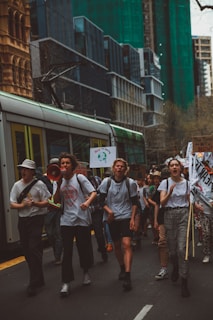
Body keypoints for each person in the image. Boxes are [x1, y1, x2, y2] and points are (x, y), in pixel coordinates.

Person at [53, 152, 97, 297]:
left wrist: (87, 203)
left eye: (67, 163)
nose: (64, 165)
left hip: (81, 219)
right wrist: (58, 183)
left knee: (83, 248)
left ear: (72, 165)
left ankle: (85, 272)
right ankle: (66, 282)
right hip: (66, 220)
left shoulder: (79, 178)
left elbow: (93, 192)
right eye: (62, 163)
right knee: (67, 252)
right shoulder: (57, 181)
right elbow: (56, 201)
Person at [10, 159, 51, 297]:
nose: (23, 172)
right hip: (23, 220)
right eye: (22, 169)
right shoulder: (17, 185)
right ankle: (39, 278)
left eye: (26, 169)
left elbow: (49, 201)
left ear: (32, 172)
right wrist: (23, 206)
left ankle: (33, 283)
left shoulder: (39, 185)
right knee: (27, 250)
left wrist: (36, 204)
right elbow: (12, 204)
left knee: (34, 248)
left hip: (36, 219)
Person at [98, 158, 138, 291]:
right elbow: (100, 201)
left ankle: (128, 274)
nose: (119, 168)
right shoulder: (106, 182)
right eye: (117, 166)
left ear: (125, 169)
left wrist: (132, 219)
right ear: (113, 168)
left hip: (125, 216)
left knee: (126, 244)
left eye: (122, 166)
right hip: (112, 218)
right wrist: (109, 212)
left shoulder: (130, 183)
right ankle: (121, 267)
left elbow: (134, 202)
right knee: (116, 245)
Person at [158, 158, 190, 297]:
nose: (175, 167)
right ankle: (175, 266)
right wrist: (170, 193)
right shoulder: (165, 183)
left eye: (177, 165)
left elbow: (189, 201)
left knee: (182, 249)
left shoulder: (187, 183)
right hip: (169, 215)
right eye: (172, 165)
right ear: (169, 168)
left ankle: (184, 281)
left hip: (183, 214)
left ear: (180, 168)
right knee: (172, 251)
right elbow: (162, 203)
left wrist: (196, 206)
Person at [44, 158, 63, 265]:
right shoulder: (43, 180)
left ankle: (58, 256)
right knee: (50, 234)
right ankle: (57, 251)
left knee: (58, 233)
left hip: (59, 210)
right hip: (49, 210)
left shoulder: (62, 178)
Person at [151, 170, 169, 281]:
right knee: (162, 242)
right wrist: (155, 220)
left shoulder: (183, 184)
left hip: (177, 218)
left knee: (177, 245)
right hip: (163, 218)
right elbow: (157, 204)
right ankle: (164, 268)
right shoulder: (162, 187)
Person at [87, 170, 108, 262]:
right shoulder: (77, 182)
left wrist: (93, 197)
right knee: (85, 237)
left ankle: (103, 251)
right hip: (84, 212)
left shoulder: (97, 180)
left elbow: (103, 193)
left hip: (96, 210)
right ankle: (89, 258)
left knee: (99, 233)